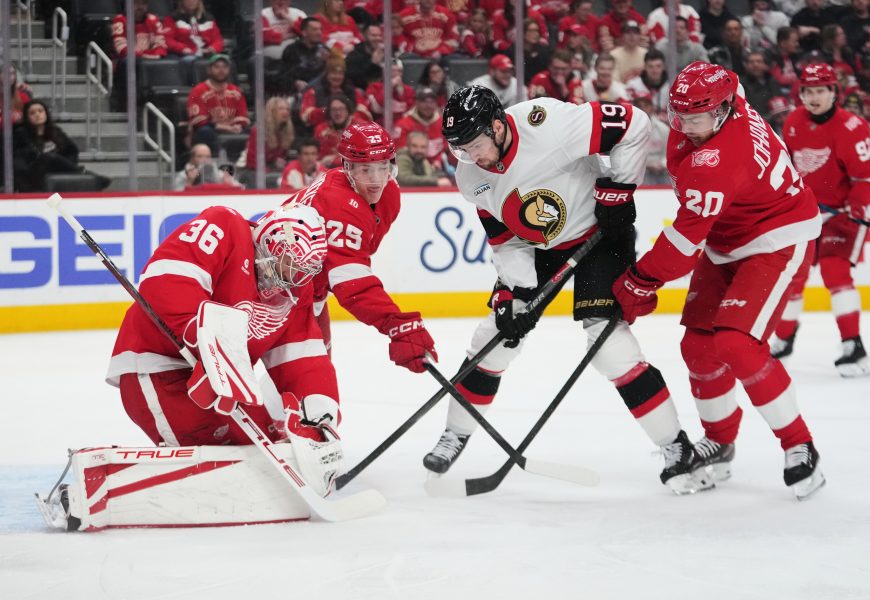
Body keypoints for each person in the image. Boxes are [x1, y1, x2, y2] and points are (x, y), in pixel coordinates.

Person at [426, 85, 715, 495]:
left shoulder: (548, 124)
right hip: (538, 248)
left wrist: (620, 190)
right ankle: (455, 433)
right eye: (461, 149)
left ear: (497, 126)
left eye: (474, 145)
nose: (471, 157)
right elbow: (505, 240)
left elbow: (634, 124)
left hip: (600, 233)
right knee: (495, 338)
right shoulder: (471, 176)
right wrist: (513, 293)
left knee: (609, 347)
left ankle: (677, 447)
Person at [611, 61, 825, 500]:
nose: (685, 126)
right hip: (728, 237)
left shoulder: (719, 161)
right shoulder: (729, 97)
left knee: (737, 345)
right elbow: (723, 80)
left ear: (724, 111)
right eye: (679, 115)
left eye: (697, 118)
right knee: (697, 348)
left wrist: (640, 280)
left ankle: (799, 444)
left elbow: (683, 244)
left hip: (777, 238)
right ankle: (720, 441)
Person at [106, 201, 343, 492]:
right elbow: (165, 279)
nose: (293, 279)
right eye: (290, 266)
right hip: (159, 364)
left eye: (303, 271)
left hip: (223, 385)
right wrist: (205, 344)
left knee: (265, 453)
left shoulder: (296, 289)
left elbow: (303, 360)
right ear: (270, 245)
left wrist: (319, 419)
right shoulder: (225, 227)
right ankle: (114, 487)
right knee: (221, 460)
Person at [281, 121, 439, 375]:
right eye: (365, 170)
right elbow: (351, 282)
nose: (376, 180)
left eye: (383, 167)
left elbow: (355, 258)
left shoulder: (389, 193)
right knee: (307, 385)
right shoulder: (337, 202)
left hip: (309, 293)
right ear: (347, 167)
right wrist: (397, 324)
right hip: (277, 297)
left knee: (311, 383)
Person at [770, 63, 870, 376]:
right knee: (792, 275)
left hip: (843, 214)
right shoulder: (794, 121)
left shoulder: (852, 127)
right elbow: (787, 168)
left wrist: (858, 209)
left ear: (833, 92)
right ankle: (784, 339)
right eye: (808, 91)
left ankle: (853, 344)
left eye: (820, 91)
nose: (814, 98)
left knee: (834, 271)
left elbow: (865, 177)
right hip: (805, 214)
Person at [12, 100, 111, 192]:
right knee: (49, 157)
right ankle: (84, 173)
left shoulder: (55, 131)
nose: (37, 114)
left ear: (46, 113)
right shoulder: (21, 135)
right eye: (32, 113)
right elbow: (21, 161)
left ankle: (84, 177)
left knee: (54, 159)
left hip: (57, 173)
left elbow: (71, 151)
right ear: (27, 117)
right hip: (35, 175)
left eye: (40, 111)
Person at [187, 54, 251, 154]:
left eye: (225, 67)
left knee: (254, 131)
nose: (221, 70)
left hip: (233, 127)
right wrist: (227, 128)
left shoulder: (236, 91)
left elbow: (243, 116)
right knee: (205, 131)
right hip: (210, 130)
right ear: (209, 70)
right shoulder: (198, 91)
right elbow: (200, 121)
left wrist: (237, 126)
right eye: (217, 67)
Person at [392, 87, 447, 169]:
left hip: (438, 168)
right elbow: (399, 151)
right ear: (416, 103)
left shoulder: (444, 123)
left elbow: (447, 147)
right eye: (424, 101)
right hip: (411, 168)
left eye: (432, 102)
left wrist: (438, 160)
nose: (428, 105)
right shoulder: (403, 124)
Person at [242, 96, 295, 172]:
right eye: (281, 109)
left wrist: (280, 162)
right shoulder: (258, 131)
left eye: (287, 109)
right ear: (272, 112)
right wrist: (269, 171)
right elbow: (252, 162)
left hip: (270, 168)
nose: (285, 112)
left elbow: (280, 157)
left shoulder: (285, 132)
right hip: (251, 170)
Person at [174, 143, 242, 190]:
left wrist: (229, 184)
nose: (204, 160)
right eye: (199, 156)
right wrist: (189, 182)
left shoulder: (219, 174)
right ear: (192, 158)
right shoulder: (184, 175)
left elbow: (241, 188)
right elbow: (175, 196)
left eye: (207, 157)